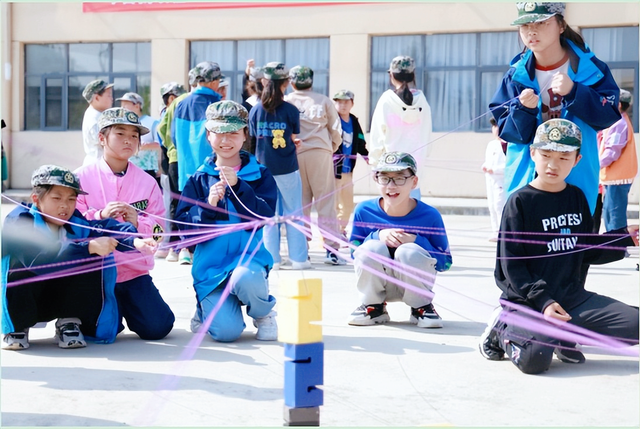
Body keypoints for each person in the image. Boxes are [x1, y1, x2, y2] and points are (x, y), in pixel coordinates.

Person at [479, 119, 639, 375]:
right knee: (535, 360)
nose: (553, 164)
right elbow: (512, 267)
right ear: (533, 154)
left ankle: (560, 334)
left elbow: (585, 250)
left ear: (576, 160)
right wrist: (543, 302)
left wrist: (624, 238)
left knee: (636, 324)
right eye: (546, 155)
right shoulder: (520, 202)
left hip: (571, 298)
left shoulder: (576, 197)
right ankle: (502, 330)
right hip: (529, 303)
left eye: (564, 158)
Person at [2, 165, 157, 350]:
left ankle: (69, 320)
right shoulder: (20, 220)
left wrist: (135, 241)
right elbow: (38, 260)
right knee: (21, 267)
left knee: (90, 258)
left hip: (57, 295)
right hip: (27, 298)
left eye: (71, 199)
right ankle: (17, 327)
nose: (64, 205)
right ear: (36, 199)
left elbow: (102, 227)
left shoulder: (74, 220)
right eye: (56, 198)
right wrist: (88, 246)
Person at [489, 2, 621, 215]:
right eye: (524, 26)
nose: (531, 31)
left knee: (573, 242)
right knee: (526, 243)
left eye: (541, 23)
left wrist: (575, 92)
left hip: (577, 173)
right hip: (527, 176)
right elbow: (509, 132)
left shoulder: (592, 69)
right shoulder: (515, 75)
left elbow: (608, 115)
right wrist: (523, 109)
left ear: (561, 25)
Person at [175, 101, 278, 342]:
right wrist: (209, 205)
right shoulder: (198, 178)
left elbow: (265, 216)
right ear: (208, 136)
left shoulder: (260, 175)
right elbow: (184, 228)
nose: (225, 140)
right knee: (226, 333)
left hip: (248, 262)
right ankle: (205, 305)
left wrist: (239, 187)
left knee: (246, 277)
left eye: (233, 133)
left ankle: (263, 314)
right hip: (210, 268)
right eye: (218, 133)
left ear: (245, 135)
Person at [75, 108, 175, 341]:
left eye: (134, 135)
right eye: (120, 134)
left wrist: (139, 221)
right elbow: (71, 222)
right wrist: (99, 214)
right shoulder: (81, 177)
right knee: (98, 331)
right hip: (95, 273)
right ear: (102, 138)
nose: (129, 140)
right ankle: (108, 313)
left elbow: (160, 232)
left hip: (133, 272)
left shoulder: (147, 182)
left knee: (158, 327)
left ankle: (123, 308)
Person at [347, 152, 452, 328]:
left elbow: (445, 263)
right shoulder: (364, 211)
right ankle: (373, 306)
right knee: (370, 248)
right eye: (384, 178)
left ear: (414, 182)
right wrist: (376, 236)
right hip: (380, 282)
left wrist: (416, 241)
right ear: (376, 179)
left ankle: (421, 307)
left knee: (408, 251)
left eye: (400, 178)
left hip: (413, 285)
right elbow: (354, 252)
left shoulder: (430, 215)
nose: (391, 185)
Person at [248, 62, 311, 270]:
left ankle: (272, 260)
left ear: (265, 82)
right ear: (286, 83)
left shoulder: (256, 111)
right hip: (287, 168)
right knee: (294, 213)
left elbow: (255, 140)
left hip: (263, 170)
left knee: (268, 216)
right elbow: (293, 137)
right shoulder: (291, 110)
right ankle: (299, 260)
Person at [285, 65, 345, 265]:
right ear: (311, 81)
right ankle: (331, 249)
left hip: (294, 154)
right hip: (320, 153)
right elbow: (336, 129)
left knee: (300, 203)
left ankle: (302, 249)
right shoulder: (323, 101)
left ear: (291, 82)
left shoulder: (286, 101)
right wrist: (331, 147)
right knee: (325, 201)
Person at [171, 61, 223, 265]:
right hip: (211, 168)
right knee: (212, 208)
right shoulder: (217, 106)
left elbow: (173, 138)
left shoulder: (182, 103)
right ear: (212, 81)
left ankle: (184, 248)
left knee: (187, 209)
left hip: (186, 167)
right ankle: (207, 250)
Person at [369, 55, 433, 199]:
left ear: (391, 75)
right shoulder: (422, 101)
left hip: (389, 170)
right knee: (413, 213)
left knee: (391, 214)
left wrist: (374, 165)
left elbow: (377, 138)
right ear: (412, 75)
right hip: (415, 169)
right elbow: (428, 138)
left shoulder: (386, 100)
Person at [157, 71, 197, 263]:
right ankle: (189, 247)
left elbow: (162, 131)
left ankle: (174, 247)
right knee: (195, 202)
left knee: (175, 203)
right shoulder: (192, 100)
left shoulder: (170, 108)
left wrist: (172, 148)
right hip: (193, 159)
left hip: (174, 159)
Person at [599, 89, 638, 232]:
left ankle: (618, 247)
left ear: (619, 105)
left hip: (618, 177)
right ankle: (615, 246)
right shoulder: (620, 121)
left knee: (614, 214)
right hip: (616, 177)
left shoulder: (618, 123)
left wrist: (595, 166)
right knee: (610, 212)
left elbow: (612, 152)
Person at [332, 89, 369, 238]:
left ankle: (340, 231)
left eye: (346, 102)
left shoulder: (354, 121)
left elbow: (360, 141)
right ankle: (330, 234)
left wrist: (367, 156)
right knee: (332, 205)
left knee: (347, 205)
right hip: (334, 170)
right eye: (339, 102)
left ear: (352, 104)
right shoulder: (332, 120)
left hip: (348, 171)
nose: (343, 105)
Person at [116, 92, 162, 186]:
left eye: (126, 104)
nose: (122, 107)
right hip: (126, 168)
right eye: (122, 104)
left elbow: (160, 145)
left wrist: (145, 146)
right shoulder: (120, 123)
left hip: (148, 169)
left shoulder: (152, 122)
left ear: (137, 106)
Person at [482, 118, 507, 241]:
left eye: (498, 126)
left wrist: (495, 169)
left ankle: (502, 230)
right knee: (491, 204)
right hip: (490, 178)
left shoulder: (508, 145)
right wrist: (485, 167)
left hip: (501, 179)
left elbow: (509, 166)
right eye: (494, 127)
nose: (495, 129)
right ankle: (495, 230)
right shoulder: (491, 144)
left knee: (499, 204)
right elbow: (487, 161)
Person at [81, 79, 114, 166]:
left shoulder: (98, 114)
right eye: (109, 95)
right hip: (97, 165)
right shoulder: (94, 118)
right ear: (96, 98)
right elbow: (107, 143)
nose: (112, 99)